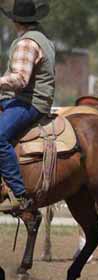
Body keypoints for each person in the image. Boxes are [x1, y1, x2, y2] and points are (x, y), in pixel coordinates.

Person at [0, 0, 54, 212]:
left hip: (30, 101)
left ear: (15, 21)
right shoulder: (43, 39)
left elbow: (20, 79)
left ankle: (19, 195)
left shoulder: (26, 43)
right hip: (31, 98)